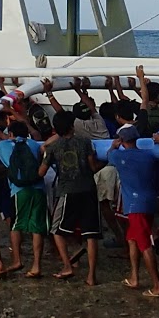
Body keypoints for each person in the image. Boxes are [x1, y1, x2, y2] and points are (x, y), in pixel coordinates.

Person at [42, 110, 102, 284]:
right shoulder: (85, 142)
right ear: (72, 126)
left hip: (67, 191)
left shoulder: (54, 147)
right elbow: (93, 167)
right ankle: (91, 276)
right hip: (88, 190)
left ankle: (67, 265)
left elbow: (42, 171)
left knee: (56, 230)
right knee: (91, 234)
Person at [107, 125, 159, 297]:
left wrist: (113, 145)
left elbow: (109, 154)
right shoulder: (148, 156)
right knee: (132, 239)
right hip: (148, 201)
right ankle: (134, 277)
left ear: (122, 140)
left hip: (134, 205)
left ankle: (157, 286)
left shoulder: (118, 155)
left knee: (144, 244)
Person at [0, 119, 47, 278]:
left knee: (16, 226)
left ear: (10, 134)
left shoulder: (3, 146)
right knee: (37, 227)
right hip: (38, 188)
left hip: (19, 190)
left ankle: (17, 260)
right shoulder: (33, 144)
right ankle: (37, 266)